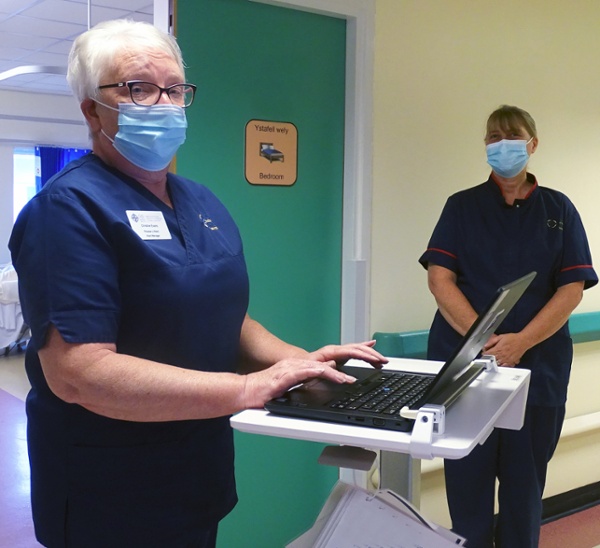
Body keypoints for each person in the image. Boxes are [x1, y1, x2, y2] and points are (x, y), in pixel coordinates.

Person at [8, 19, 387, 548]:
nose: (162, 103)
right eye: (138, 88)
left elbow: (227, 318)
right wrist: (248, 388)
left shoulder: (199, 201)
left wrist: (296, 363)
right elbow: (79, 374)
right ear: (92, 108)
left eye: (175, 88)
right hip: (109, 494)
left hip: (193, 469)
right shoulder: (65, 211)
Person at [418, 105, 597, 547]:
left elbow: (572, 288)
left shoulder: (559, 209)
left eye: (512, 135)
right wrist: (482, 342)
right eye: (493, 136)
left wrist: (520, 343)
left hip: (537, 370)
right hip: (466, 371)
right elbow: (440, 278)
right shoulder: (461, 207)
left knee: (524, 494)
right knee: (467, 491)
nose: (502, 144)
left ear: (532, 144)